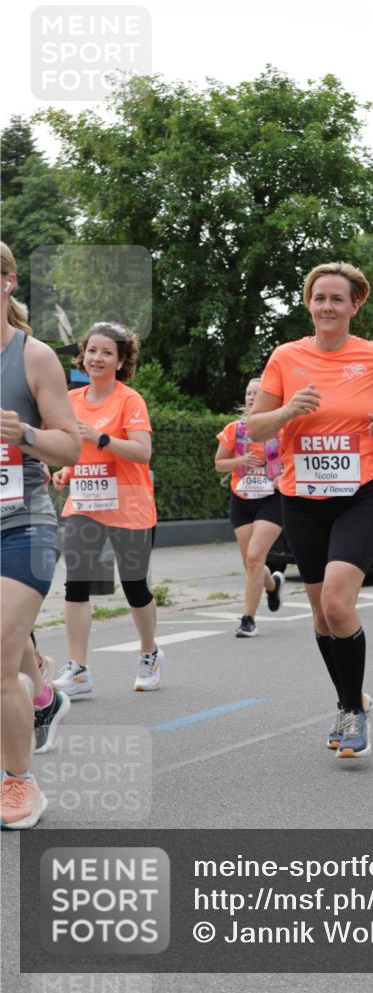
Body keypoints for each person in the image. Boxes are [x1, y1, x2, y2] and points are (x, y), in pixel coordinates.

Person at [247, 261, 373, 759]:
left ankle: (353, 713)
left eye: (337, 299)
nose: (328, 306)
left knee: (337, 604)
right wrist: (286, 412)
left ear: (354, 305)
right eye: (319, 298)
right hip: (302, 500)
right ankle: (351, 700)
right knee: (322, 617)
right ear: (309, 303)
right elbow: (256, 428)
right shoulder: (286, 357)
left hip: (362, 495)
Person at [1, 241, 81, 828]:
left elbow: (69, 444)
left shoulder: (34, 357)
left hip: (22, 522)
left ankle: (19, 783)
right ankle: (42, 693)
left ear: (7, 282)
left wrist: (24, 431)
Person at [52, 322, 164, 695]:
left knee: (135, 587)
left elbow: (142, 452)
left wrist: (100, 437)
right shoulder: (71, 400)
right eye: (92, 351)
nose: (97, 358)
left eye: (107, 353)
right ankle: (79, 668)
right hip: (85, 505)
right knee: (76, 584)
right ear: (83, 357)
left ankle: (149, 653)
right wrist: (66, 470)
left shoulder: (129, 400)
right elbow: (73, 450)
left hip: (129, 506)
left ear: (120, 361)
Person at [215, 378, 285, 637]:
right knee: (251, 563)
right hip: (242, 499)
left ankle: (248, 619)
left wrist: (284, 475)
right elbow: (219, 464)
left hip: (271, 499)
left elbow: (293, 459)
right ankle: (272, 584)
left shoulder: (282, 428)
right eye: (248, 393)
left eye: (258, 392)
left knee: (255, 557)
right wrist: (241, 460)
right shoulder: (235, 429)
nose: (252, 397)